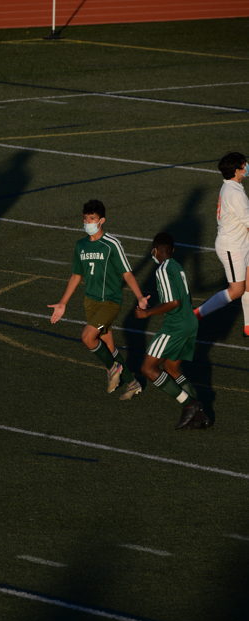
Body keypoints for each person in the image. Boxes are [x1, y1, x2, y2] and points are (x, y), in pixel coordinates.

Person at [48, 199, 149, 400]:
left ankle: (113, 368)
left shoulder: (111, 244)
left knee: (87, 337)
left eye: (92, 219)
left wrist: (139, 297)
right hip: (90, 302)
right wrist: (63, 303)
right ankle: (132, 383)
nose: (88, 223)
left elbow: (127, 273)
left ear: (102, 220)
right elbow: (77, 275)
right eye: (86, 219)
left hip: (109, 302)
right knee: (107, 344)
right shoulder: (81, 245)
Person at [135, 232, 209, 430]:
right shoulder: (177, 266)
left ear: (155, 250)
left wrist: (147, 313)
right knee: (171, 368)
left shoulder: (163, 269)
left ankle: (190, 404)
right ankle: (200, 415)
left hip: (175, 326)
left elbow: (173, 302)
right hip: (189, 322)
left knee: (148, 368)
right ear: (172, 250)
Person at [193, 151, 249, 337]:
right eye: (244, 165)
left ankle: (248, 326)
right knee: (236, 290)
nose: (246, 167)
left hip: (242, 243)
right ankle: (196, 315)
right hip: (233, 247)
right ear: (237, 170)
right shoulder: (234, 193)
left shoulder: (233, 187)